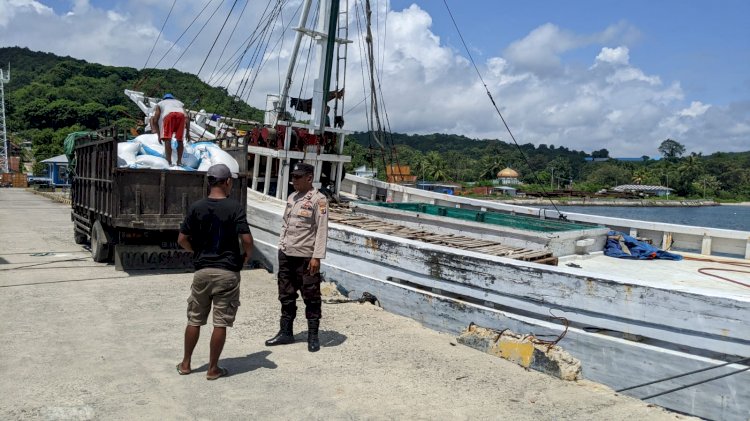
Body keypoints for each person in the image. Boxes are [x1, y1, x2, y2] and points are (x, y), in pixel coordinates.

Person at [176, 163, 253, 380]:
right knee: (220, 322)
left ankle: (185, 364)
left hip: (202, 270)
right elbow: (246, 239)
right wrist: (246, 257)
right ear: (228, 182)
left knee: (194, 319)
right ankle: (212, 369)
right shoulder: (235, 207)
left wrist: (196, 253)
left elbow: (182, 239)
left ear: (209, 182)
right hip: (227, 272)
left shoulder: (196, 207)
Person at [265, 163, 328, 352]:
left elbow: (321, 229)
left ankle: (313, 336)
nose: (294, 180)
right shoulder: (292, 197)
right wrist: (281, 247)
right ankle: (286, 332)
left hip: (305, 256)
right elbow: (286, 224)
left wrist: (317, 257)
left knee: (311, 296)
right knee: (286, 294)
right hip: (286, 253)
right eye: (293, 176)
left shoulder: (319, 200)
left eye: (298, 177)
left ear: (309, 178)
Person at [150, 93, 190, 166]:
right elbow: (186, 117)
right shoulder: (179, 103)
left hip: (169, 116)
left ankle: (169, 161)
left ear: (164, 98)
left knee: (167, 139)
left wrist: (159, 135)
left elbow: (155, 120)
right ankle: (179, 162)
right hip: (181, 117)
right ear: (173, 98)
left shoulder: (160, 103)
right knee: (180, 140)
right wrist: (188, 133)